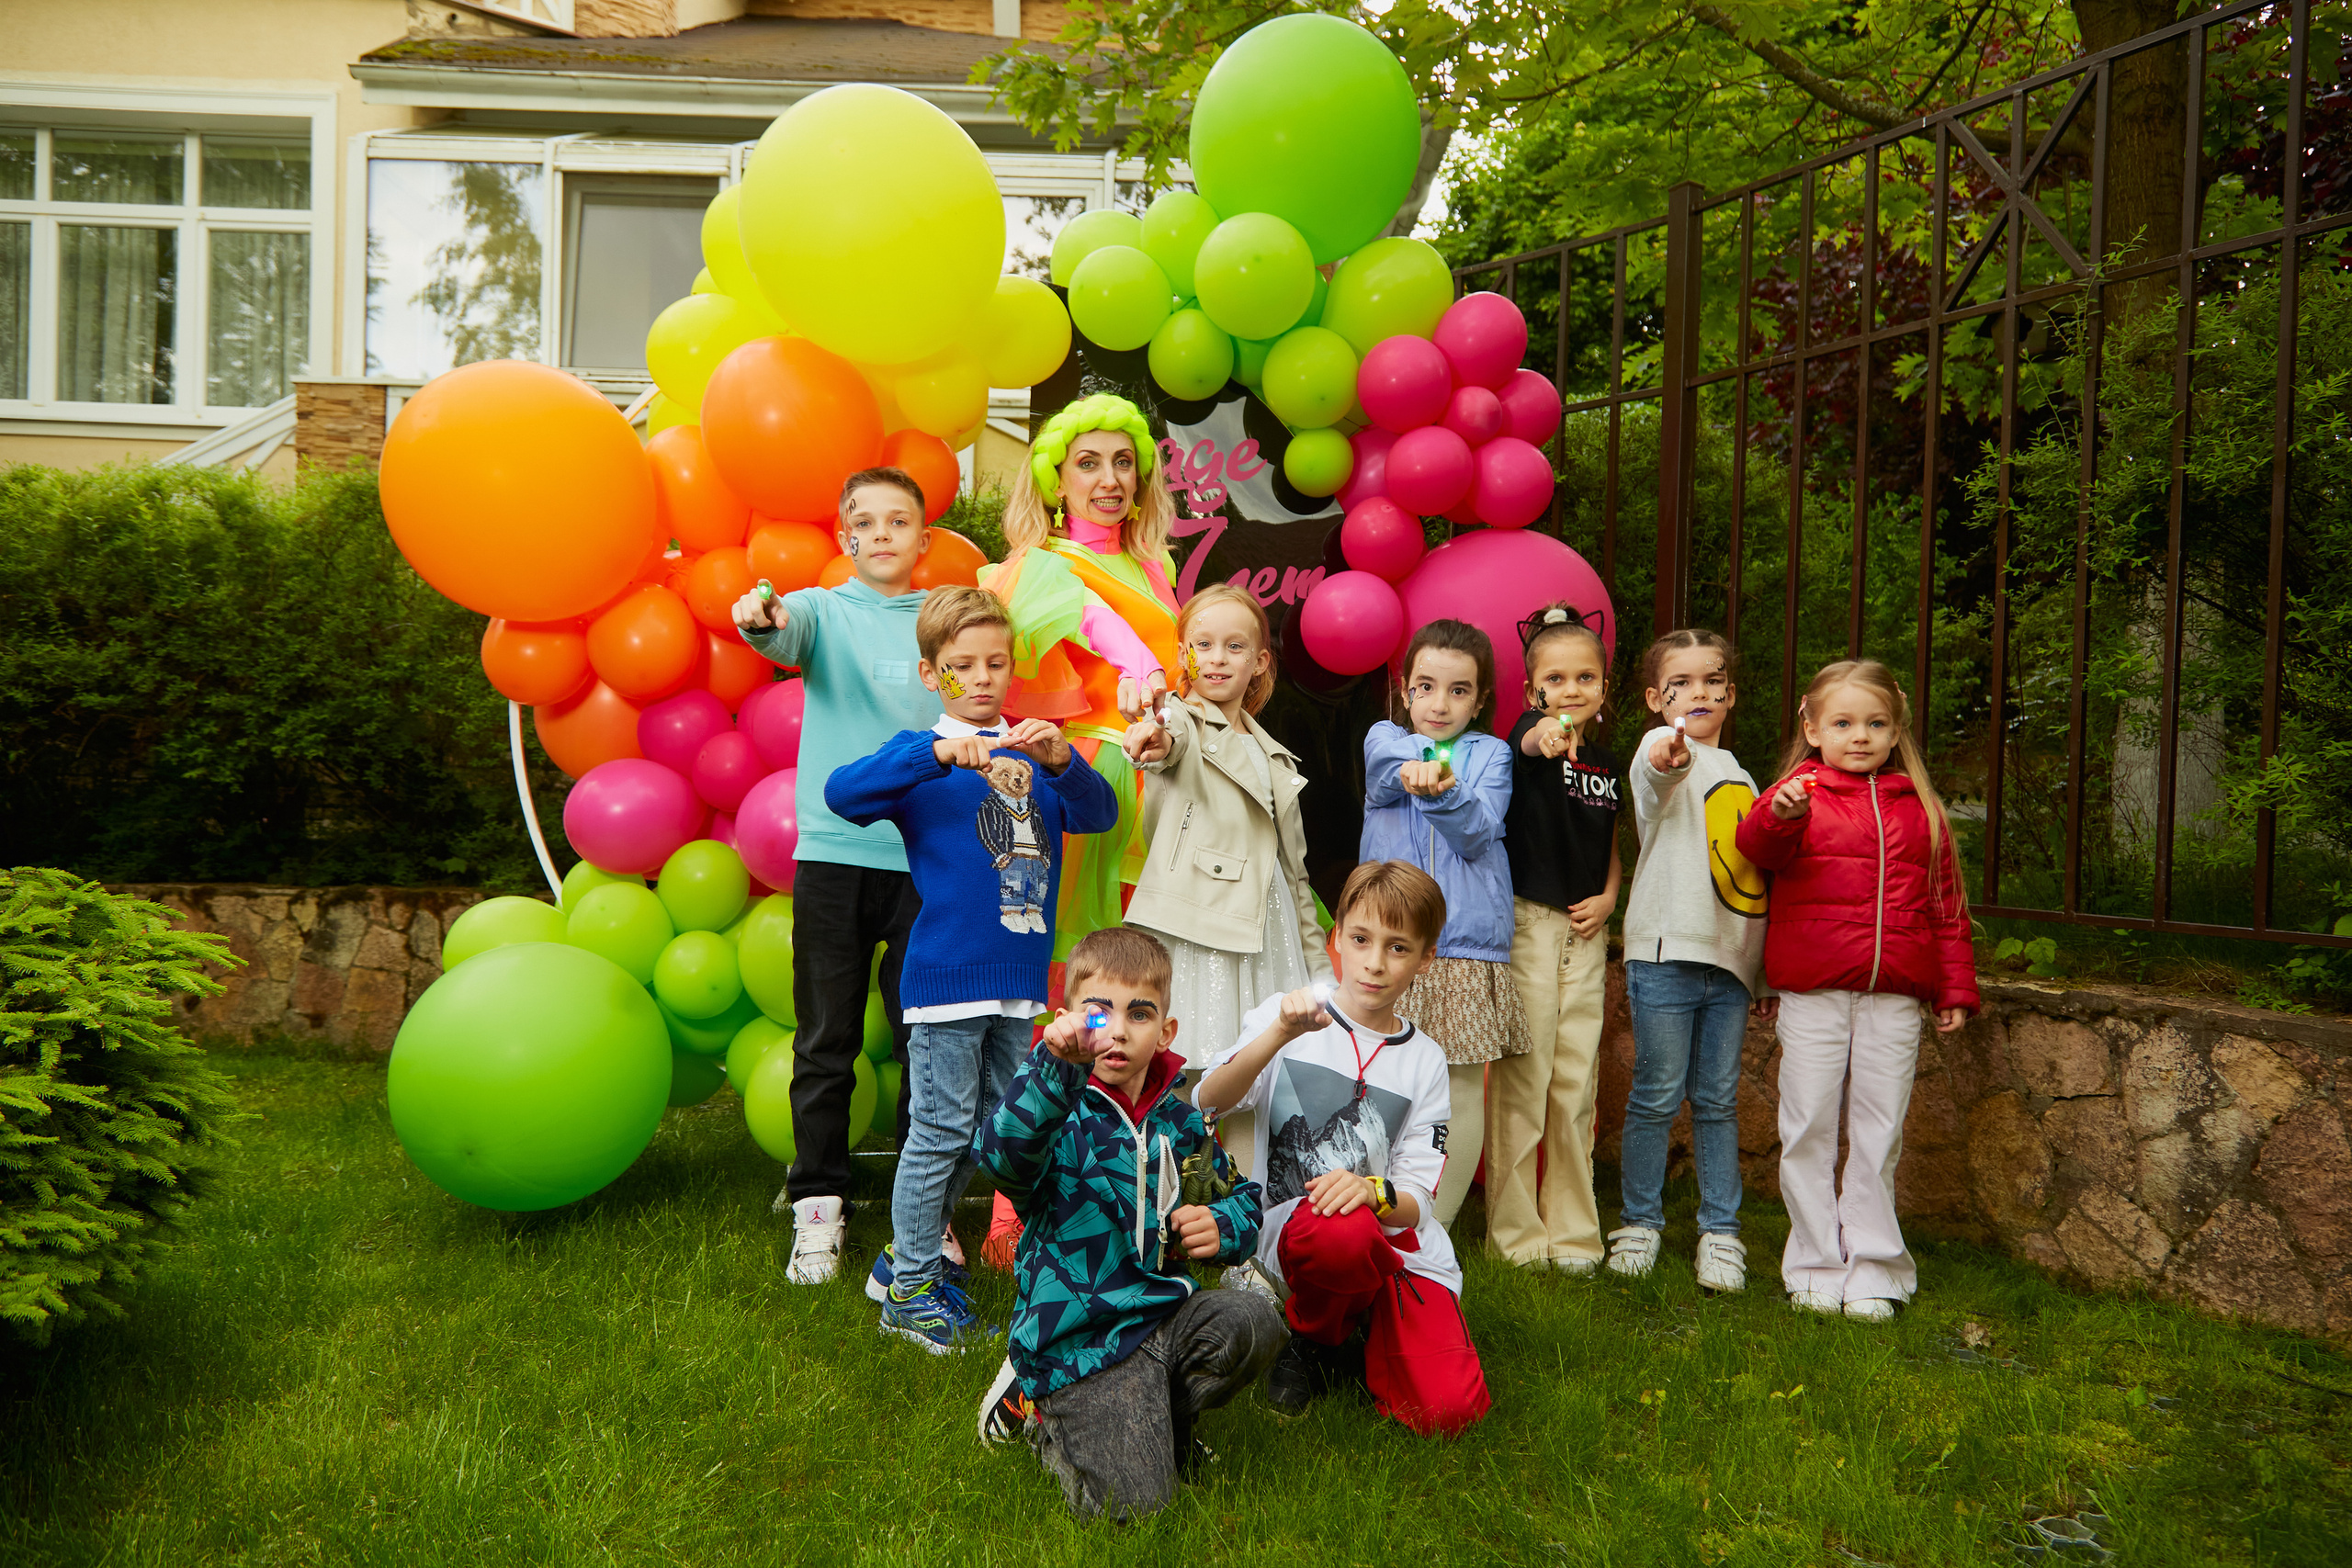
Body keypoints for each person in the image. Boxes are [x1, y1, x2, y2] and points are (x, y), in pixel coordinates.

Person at [823, 587, 1119, 1350]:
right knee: (940, 1130)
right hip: (947, 981)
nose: (981, 678)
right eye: (960, 667)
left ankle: (903, 1259)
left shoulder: (1033, 747)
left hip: (1020, 982)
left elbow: (1098, 815)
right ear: (932, 673)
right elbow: (841, 794)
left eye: (995, 662)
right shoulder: (924, 761)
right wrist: (934, 751)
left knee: (992, 1134)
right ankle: (913, 1289)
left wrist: (1063, 760)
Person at [970, 926, 1282, 1520]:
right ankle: (1040, 1415)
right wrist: (1049, 1068)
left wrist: (1222, 1222)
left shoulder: (1181, 1120)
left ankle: (1162, 1425)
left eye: (1138, 1013)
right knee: (1136, 1510)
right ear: (1068, 1019)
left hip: (1161, 1314)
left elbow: (1243, 1195)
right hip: (1083, 1340)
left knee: (1254, 1320)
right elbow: (1000, 1155)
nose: (1117, 1029)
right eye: (1098, 1011)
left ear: (1165, 1031)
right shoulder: (1055, 1109)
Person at [1197, 861, 1492, 1438]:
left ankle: (1364, 1318)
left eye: (1398, 948)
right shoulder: (1286, 1015)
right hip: (1304, 1238)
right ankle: (1315, 1339)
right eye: (1360, 940)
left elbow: (1417, 1200)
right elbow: (1210, 1098)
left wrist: (1372, 1190)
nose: (1375, 963)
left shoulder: (1426, 1059)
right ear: (1337, 939)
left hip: (1391, 1245)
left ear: (1425, 958)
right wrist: (1279, 1034)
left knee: (1448, 1411)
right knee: (1338, 1229)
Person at [731, 466, 938, 1286]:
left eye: (900, 521)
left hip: (927, 863)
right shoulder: (819, 608)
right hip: (834, 859)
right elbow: (778, 631)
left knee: (931, 1040)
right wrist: (760, 616)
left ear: (923, 538)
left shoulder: (942, 617)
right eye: (867, 522)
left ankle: (921, 1216)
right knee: (826, 1041)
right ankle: (818, 1203)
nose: (883, 533)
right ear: (846, 538)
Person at [1736, 659, 1979, 1322]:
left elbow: (1946, 905)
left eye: (1875, 723)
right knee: (1809, 1123)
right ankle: (1815, 1262)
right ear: (1813, 727)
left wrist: (1954, 986)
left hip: (1894, 995)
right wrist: (1782, 814)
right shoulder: (1795, 793)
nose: (1860, 735)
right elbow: (1756, 846)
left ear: (1896, 728)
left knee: (1879, 1130)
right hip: (1813, 992)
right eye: (1843, 722)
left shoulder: (1920, 809)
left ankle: (1875, 1267)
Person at [982, 392, 1183, 958]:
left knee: (1160, 953)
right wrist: (1141, 671)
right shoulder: (1043, 563)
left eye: (1123, 461)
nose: (1110, 479)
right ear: (1057, 480)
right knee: (1095, 952)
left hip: (1169, 762)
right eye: (1088, 463)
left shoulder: (1155, 564)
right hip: (1101, 771)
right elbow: (1102, 629)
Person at [1608, 628, 1772, 1294]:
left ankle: (1720, 1233)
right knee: (1654, 1096)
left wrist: (1757, 971)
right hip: (1665, 955)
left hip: (1727, 966)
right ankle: (1640, 1222)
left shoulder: (1739, 771)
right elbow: (1656, 772)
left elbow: (1748, 882)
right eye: (1681, 684)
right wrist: (1669, 750)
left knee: (1716, 1101)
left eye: (1712, 682)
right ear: (1655, 698)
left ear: (1730, 695)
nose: (1698, 693)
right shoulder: (1660, 749)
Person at [1120, 583, 1333, 1089]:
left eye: (1234, 647)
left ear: (1260, 661)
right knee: (1198, 1070)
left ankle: (1248, 1170)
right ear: (1182, 655)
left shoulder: (1275, 756)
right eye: (1202, 645)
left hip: (1270, 929)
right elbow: (1166, 738)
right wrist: (1150, 737)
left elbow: (1295, 874)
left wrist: (1320, 970)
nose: (1217, 659)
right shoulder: (1181, 720)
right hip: (1200, 932)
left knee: (1273, 1079)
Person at [1359, 619, 1525, 1227]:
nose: (1439, 703)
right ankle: (1376, 1217)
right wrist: (1418, 767)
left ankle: (1434, 1231)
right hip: (1387, 939)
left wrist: (1442, 788)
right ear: (1404, 690)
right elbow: (1383, 772)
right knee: (1381, 1081)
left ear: (1480, 700)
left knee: (1456, 1090)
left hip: (1463, 945)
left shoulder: (1492, 753)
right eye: (1426, 686)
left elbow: (1478, 828)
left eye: (1459, 691)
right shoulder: (1383, 737)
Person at [1487, 604, 1623, 1271]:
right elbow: (1532, 742)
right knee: (1525, 1078)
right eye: (1557, 678)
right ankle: (1515, 1236)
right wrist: (1545, 734)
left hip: (1587, 933)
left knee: (1575, 1083)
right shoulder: (1528, 740)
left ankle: (1572, 1236)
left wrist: (1611, 896)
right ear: (1531, 690)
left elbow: (1611, 842)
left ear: (1605, 685)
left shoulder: (1606, 761)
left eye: (1586, 677)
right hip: (1532, 925)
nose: (1572, 689)